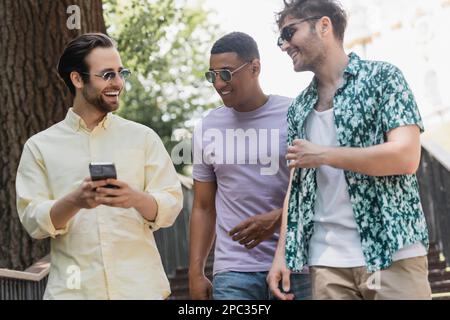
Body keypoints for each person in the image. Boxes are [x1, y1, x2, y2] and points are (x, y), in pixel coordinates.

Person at [268, 0, 431, 300]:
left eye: (289, 33)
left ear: (324, 25)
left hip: (393, 252)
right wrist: (282, 254)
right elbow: (297, 186)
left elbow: (406, 157)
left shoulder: (383, 78)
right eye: (280, 38)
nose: (283, 45)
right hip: (327, 263)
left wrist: (325, 155)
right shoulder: (297, 109)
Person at [16, 33, 183, 299]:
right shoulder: (40, 147)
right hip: (74, 293)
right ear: (77, 79)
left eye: (120, 73)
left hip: (141, 291)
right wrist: (75, 201)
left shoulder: (143, 138)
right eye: (107, 75)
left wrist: (135, 198)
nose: (118, 82)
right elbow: (33, 220)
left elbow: (171, 204)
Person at [189, 32, 311, 300]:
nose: (219, 84)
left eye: (227, 74)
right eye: (212, 76)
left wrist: (278, 218)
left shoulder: (293, 115)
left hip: (296, 265)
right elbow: (203, 206)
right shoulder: (207, 127)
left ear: (255, 68)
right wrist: (196, 272)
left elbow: (318, 189)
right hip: (234, 272)